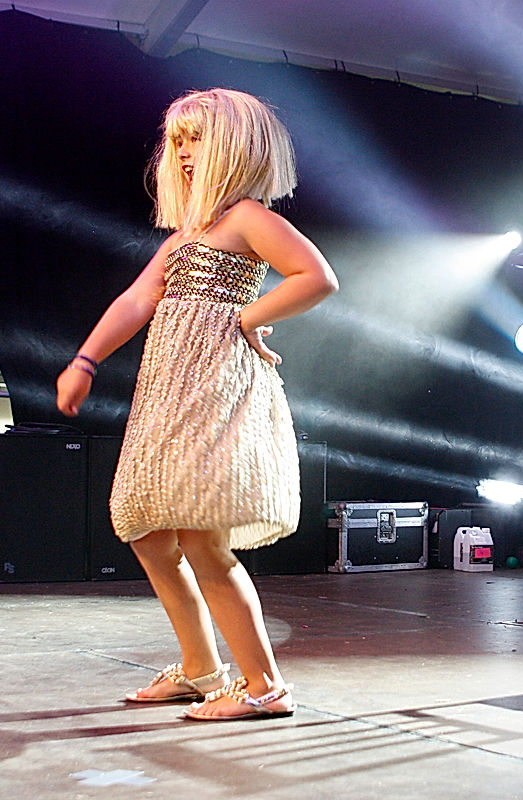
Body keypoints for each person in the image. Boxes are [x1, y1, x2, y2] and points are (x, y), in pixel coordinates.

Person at [56, 88, 337, 721]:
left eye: (198, 141)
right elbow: (136, 299)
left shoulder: (245, 217)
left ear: (235, 149)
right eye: (177, 142)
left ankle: (264, 686)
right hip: (168, 386)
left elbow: (315, 275)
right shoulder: (189, 231)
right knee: (150, 532)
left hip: (212, 386)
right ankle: (200, 670)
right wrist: (84, 361)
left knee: (200, 538)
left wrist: (247, 317)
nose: (184, 154)